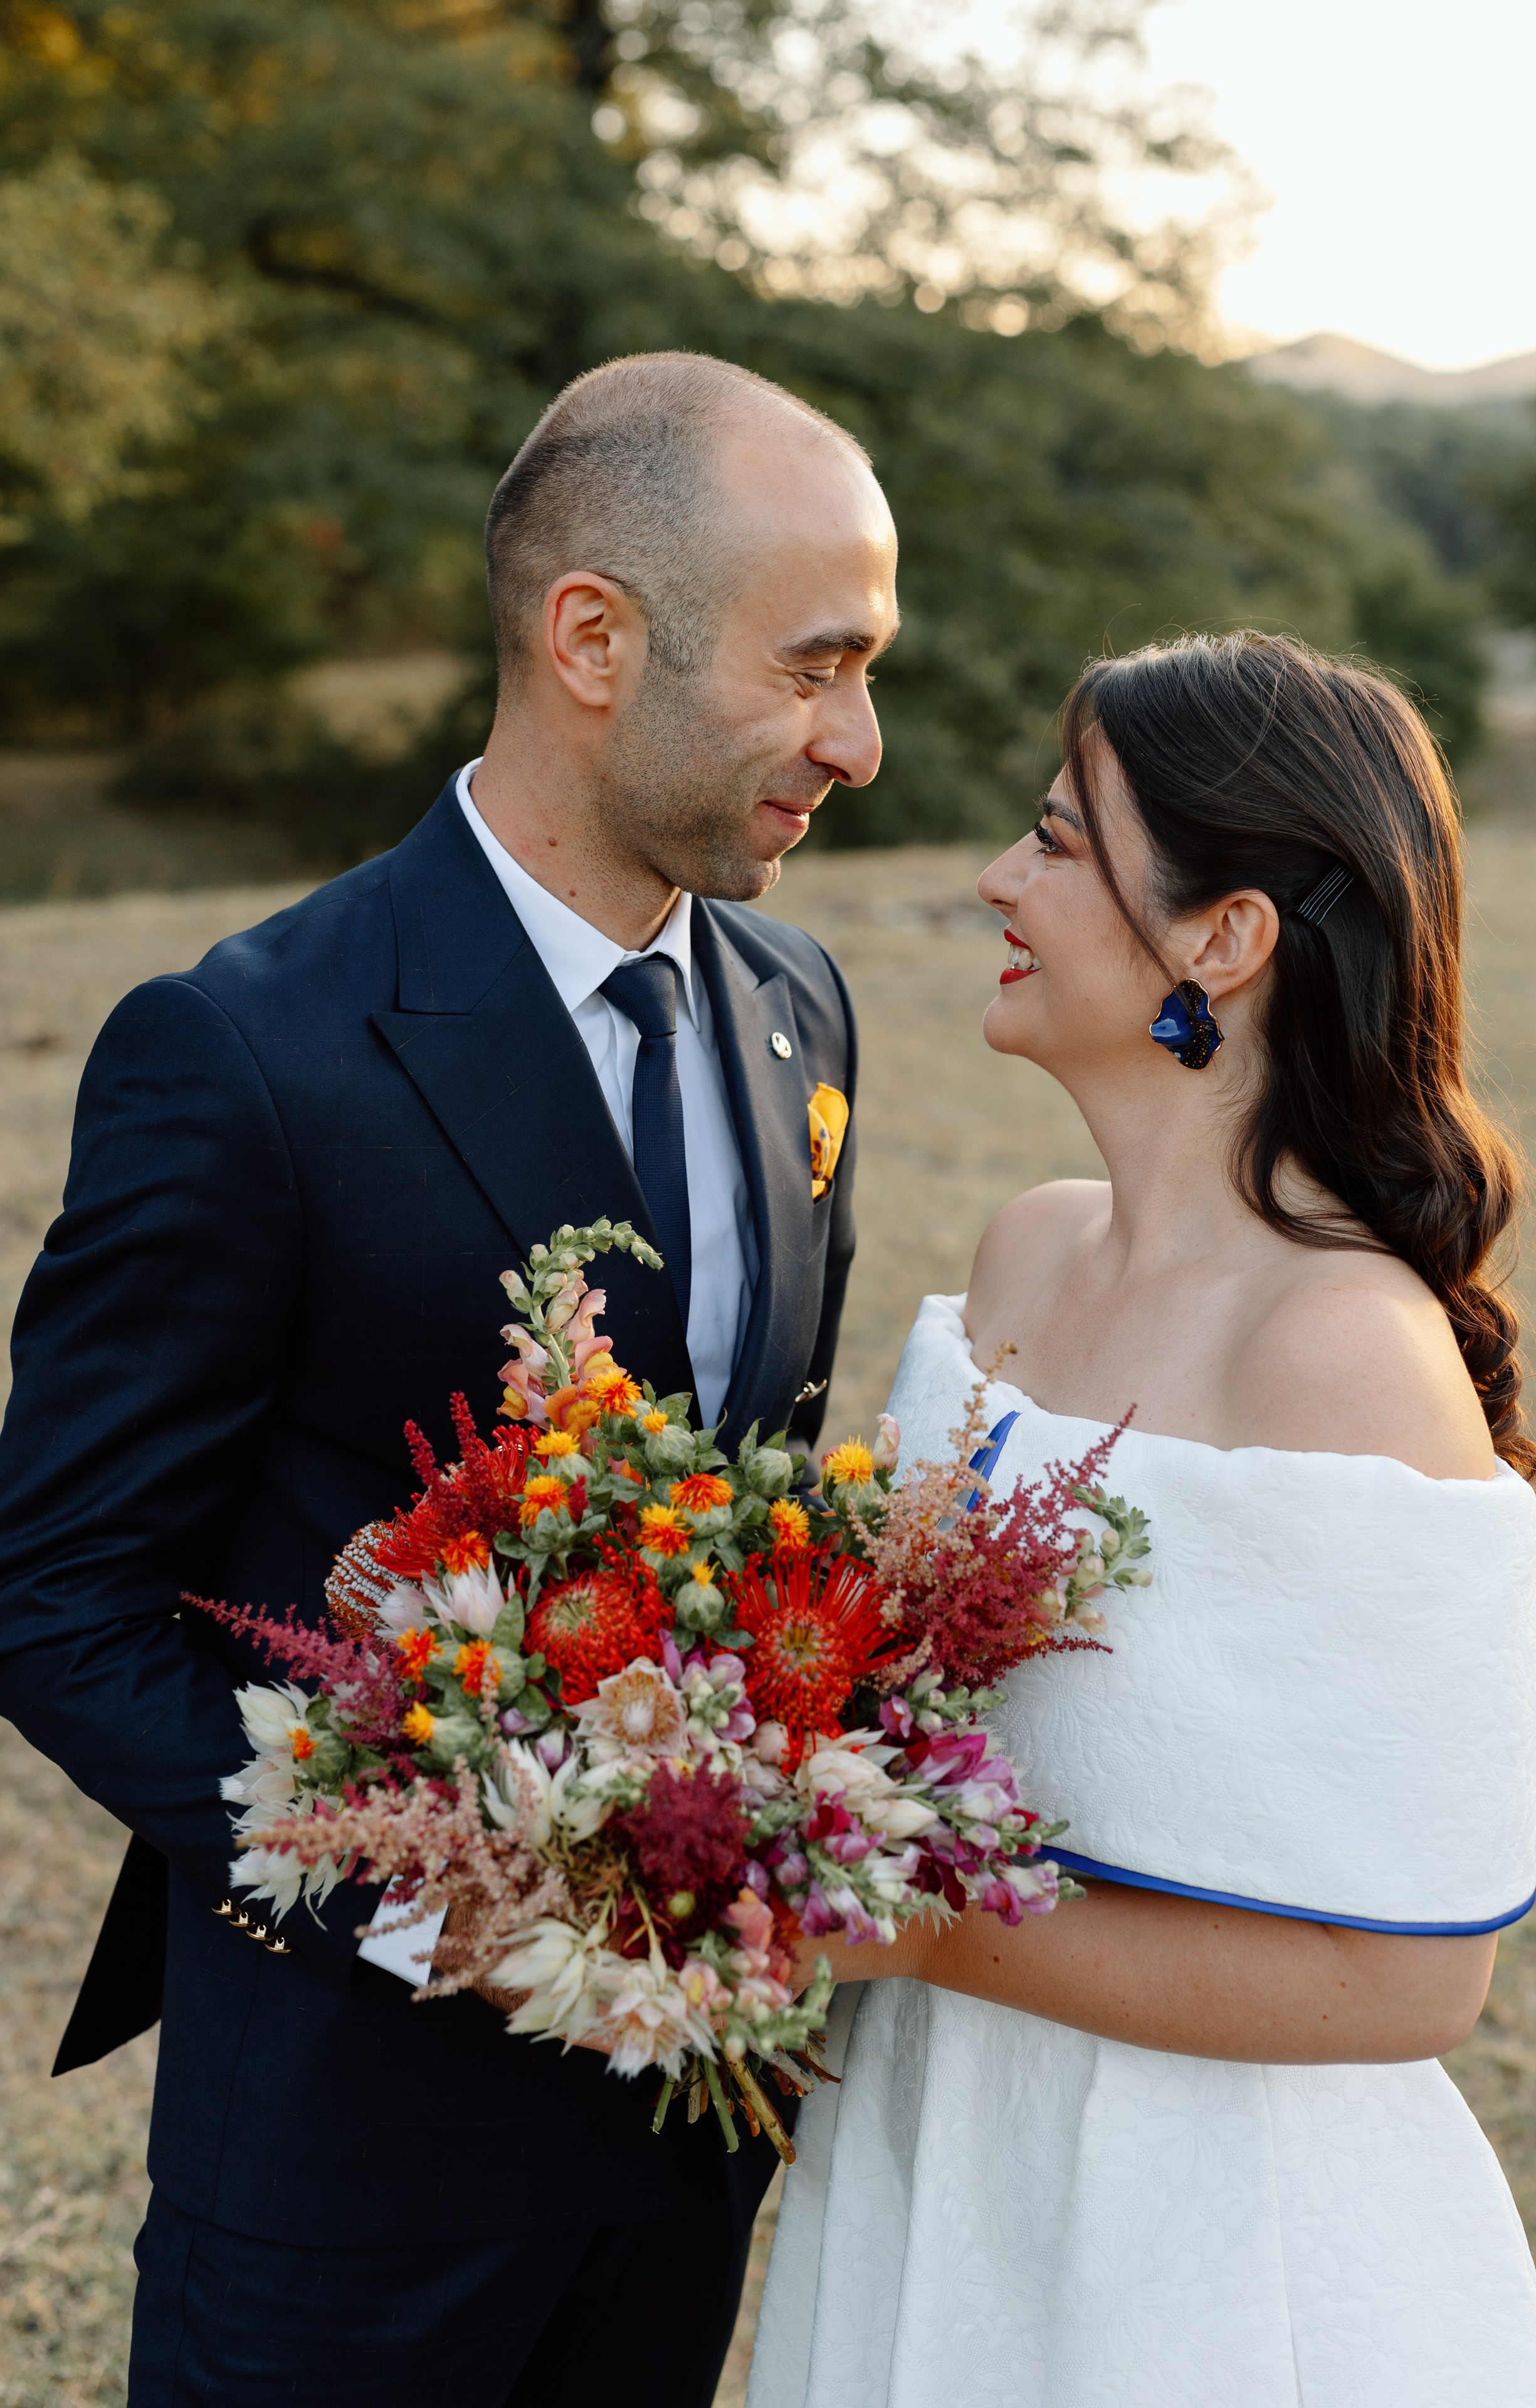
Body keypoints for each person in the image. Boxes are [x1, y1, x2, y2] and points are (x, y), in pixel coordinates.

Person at [0, 351, 898, 2406]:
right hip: (348, 2146)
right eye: (817, 666)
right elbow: (52, 1592)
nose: (859, 741)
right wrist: (428, 1887)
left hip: (686, 2135)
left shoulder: (800, 1005)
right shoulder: (245, 1051)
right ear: (594, 638)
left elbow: (747, 1504)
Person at [749, 631, 1536, 2407]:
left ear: (1227, 935)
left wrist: (910, 1924)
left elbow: (1409, 1989)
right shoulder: (1025, 1251)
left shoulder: (1346, 1350)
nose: (996, 879)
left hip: (1202, 2247)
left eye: (1057, 840)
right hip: (932, 2162)